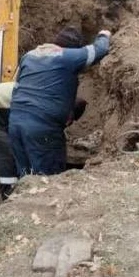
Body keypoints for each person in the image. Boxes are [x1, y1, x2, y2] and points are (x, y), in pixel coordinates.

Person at [8, 27, 112, 176]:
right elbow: (100, 50)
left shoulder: (30, 56)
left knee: (25, 177)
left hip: (15, 123)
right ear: (73, 49)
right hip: (42, 128)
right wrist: (104, 34)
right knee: (47, 179)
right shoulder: (67, 56)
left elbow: (16, 88)